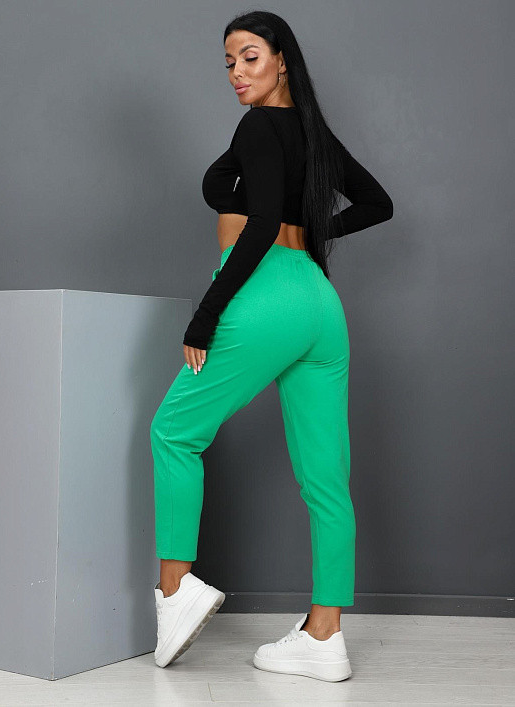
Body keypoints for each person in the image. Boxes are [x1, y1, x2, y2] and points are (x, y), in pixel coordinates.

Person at [150, 10, 393, 682]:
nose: (236, 72)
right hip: (318, 302)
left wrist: (205, 315)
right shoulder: (311, 133)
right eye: (229, 62)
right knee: (326, 480)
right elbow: (377, 203)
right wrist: (313, 235)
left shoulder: (259, 126)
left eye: (250, 57)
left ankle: (175, 590)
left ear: (282, 59)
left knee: (174, 432)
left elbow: (257, 226)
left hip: (262, 294)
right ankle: (324, 636)